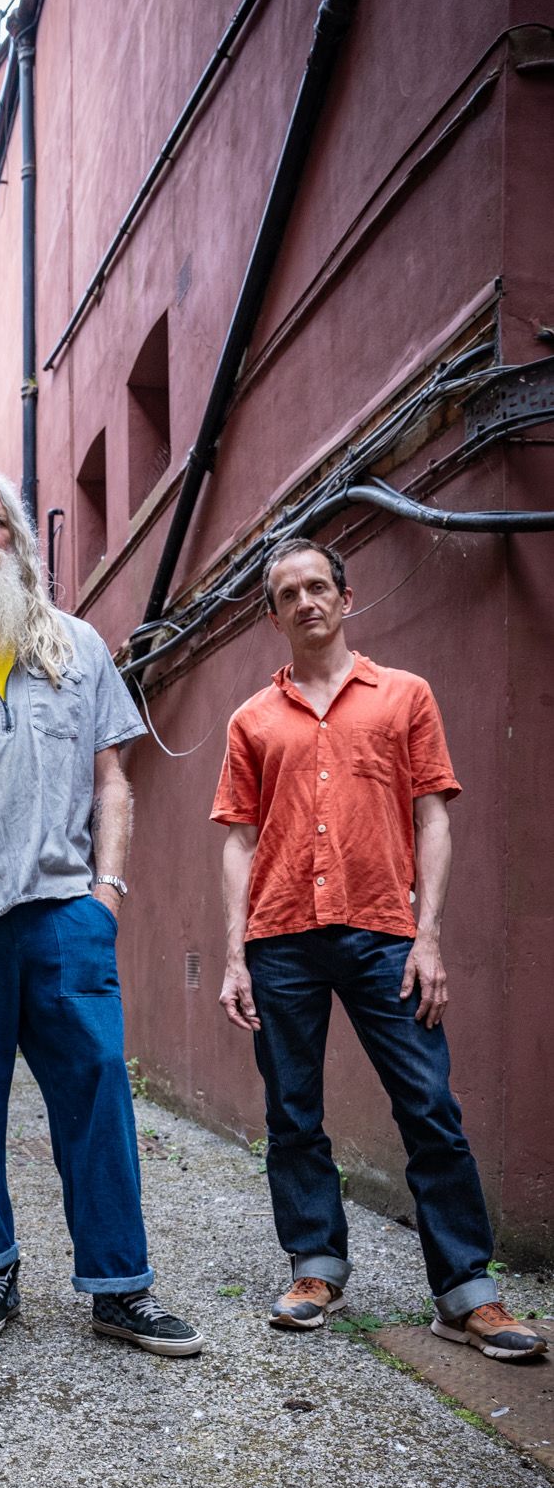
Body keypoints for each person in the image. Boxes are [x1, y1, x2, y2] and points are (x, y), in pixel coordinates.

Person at [213, 536, 547, 1361]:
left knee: (429, 1107)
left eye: (317, 586)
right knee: (293, 1114)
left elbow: (434, 818)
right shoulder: (252, 720)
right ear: (274, 616)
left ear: (345, 597)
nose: (305, 601)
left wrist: (428, 937)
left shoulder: (405, 696)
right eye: (287, 594)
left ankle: (466, 1294)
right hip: (280, 939)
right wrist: (234, 956)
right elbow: (239, 842)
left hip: (385, 936)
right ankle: (315, 1268)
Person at [0, 471, 200, 1358]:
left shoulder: (77, 647)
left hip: (65, 913)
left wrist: (108, 892)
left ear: (22, 542)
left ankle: (120, 1286)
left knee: (98, 1094)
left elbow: (112, 780)